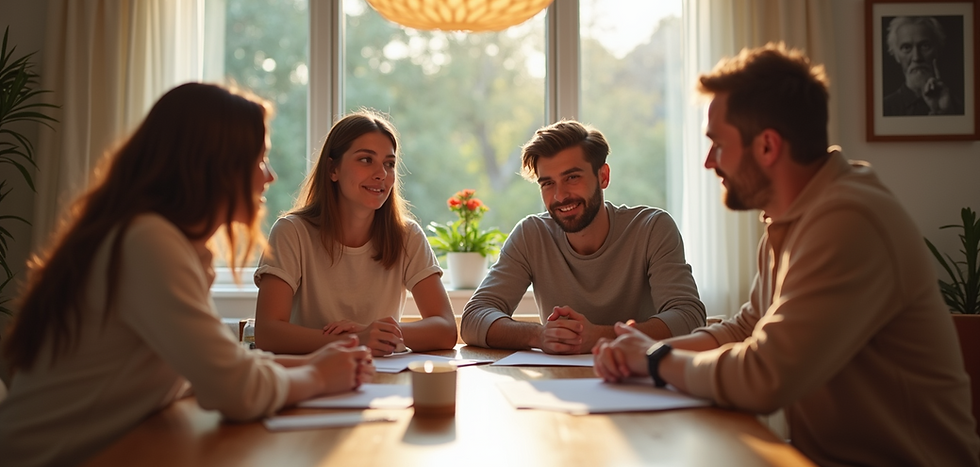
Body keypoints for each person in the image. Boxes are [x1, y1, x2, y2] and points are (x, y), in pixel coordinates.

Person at [593, 43, 980, 467]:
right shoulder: (791, 219)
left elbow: (765, 376)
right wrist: (644, 349)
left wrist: (653, 360)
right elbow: (745, 328)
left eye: (717, 144)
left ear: (767, 147)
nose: (708, 162)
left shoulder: (848, 219)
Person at [0, 83, 374, 467]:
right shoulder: (146, 242)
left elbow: (208, 367)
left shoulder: (162, 240)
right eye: (259, 159)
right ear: (214, 164)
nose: (270, 176)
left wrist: (320, 363)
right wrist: (319, 378)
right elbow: (233, 390)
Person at [460, 120, 706, 354]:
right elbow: (473, 318)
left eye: (572, 177)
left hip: (638, 381)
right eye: (547, 183)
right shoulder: (531, 235)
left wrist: (599, 336)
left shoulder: (652, 228)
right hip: (560, 384)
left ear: (603, 176)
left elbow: (689, 317)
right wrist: (538, 335)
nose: (559, 196)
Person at [253, 109, 457, 357]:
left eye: (389, 164)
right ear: (333, 170)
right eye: (365, 160)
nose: (381, 173)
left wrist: (380, 335)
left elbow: (446, 329)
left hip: (382, 382)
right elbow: (268, 334)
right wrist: (358, 339)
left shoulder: (407, 236)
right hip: (310, 380)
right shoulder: (291, 232)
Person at [882, 16, 963, 116]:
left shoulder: (959, 107)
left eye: (925, 46)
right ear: (896, 56)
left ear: (937, 51)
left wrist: (946, 113)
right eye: (906, 47)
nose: (916, 58)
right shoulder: (884, 109)